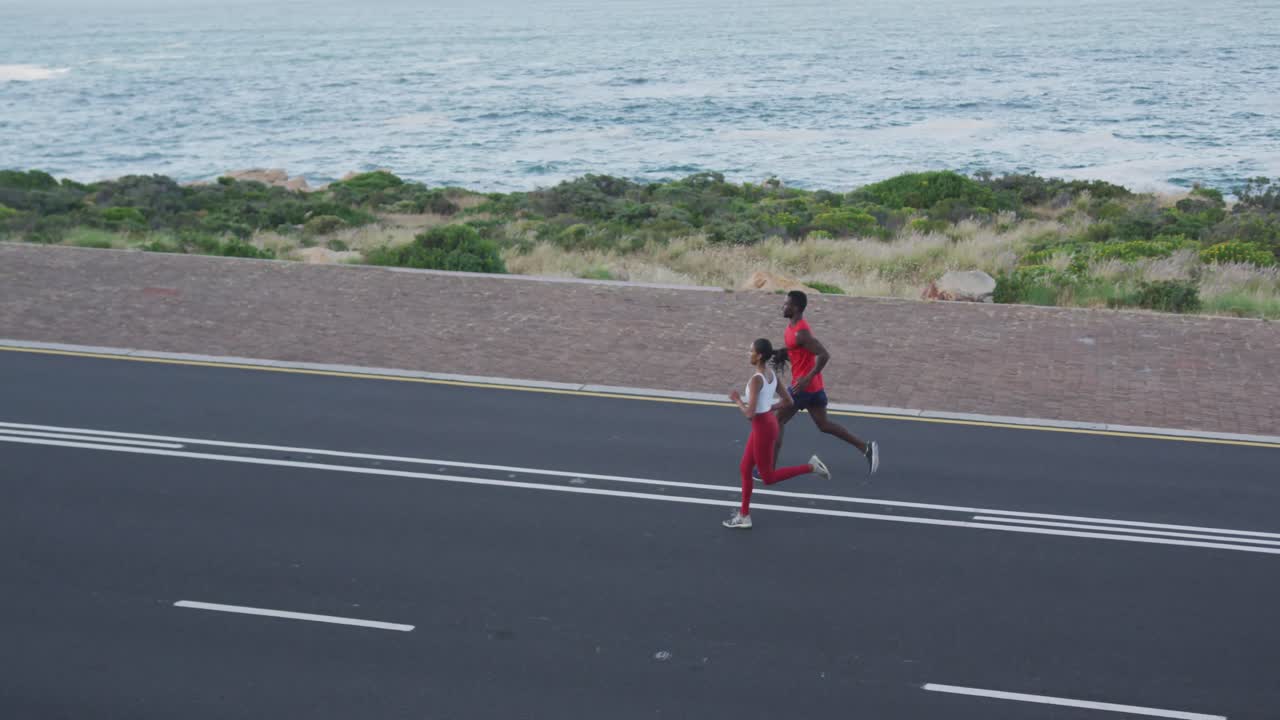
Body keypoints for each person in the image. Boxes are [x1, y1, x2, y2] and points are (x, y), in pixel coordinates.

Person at [723, 338, 830, 530]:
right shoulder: (771, 374)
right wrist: (769, 407)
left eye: (751, 351)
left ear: (760, 355)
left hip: (762, 427)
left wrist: (738, 400)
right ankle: (744, 515)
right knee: (745, 468)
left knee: (768, 478)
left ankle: (811, 467)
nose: (749, 354)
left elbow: (749, 414)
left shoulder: (756, 380)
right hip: (767, 423)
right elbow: (788, 401)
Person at [770, 290, 880, 476]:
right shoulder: (793, 328)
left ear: (795, 308)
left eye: (786, 304)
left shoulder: (802, 332)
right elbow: (799, 350)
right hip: (815, 389)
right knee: (824, 425)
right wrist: (783, 353)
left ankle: (768, 469)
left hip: (803, 388)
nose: (783, 306)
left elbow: (824, 355)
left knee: (777, 421)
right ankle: (865, 447)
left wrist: (807, 377)